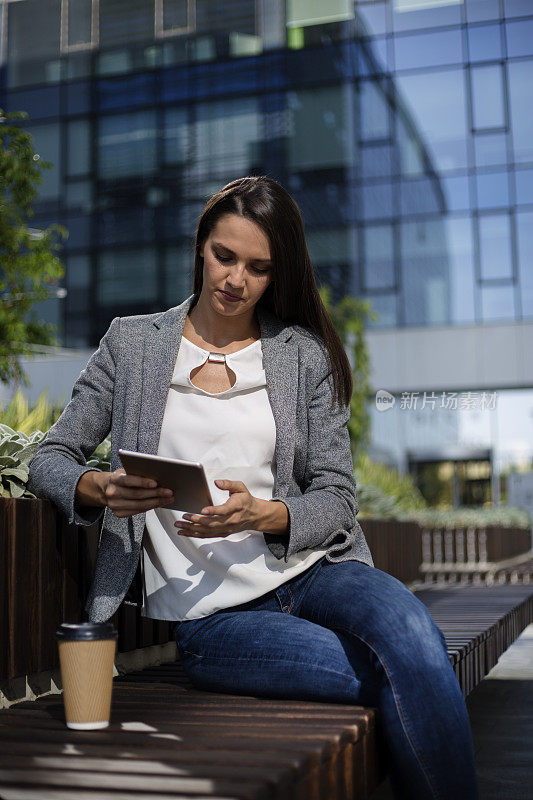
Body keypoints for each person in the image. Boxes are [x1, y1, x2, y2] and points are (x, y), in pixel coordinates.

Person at [28, 175, 478, 799]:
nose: (236, 279)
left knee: (415, 639)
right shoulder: (132, 345)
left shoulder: (303, 355)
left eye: (259, 267)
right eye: (224, 256)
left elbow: (338, 496)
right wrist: (97, 488)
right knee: (397, 674)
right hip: (215, 618)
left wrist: (262, 515)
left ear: (278, 275)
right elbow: (50, 454)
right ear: (201, 247)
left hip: (319, 572)